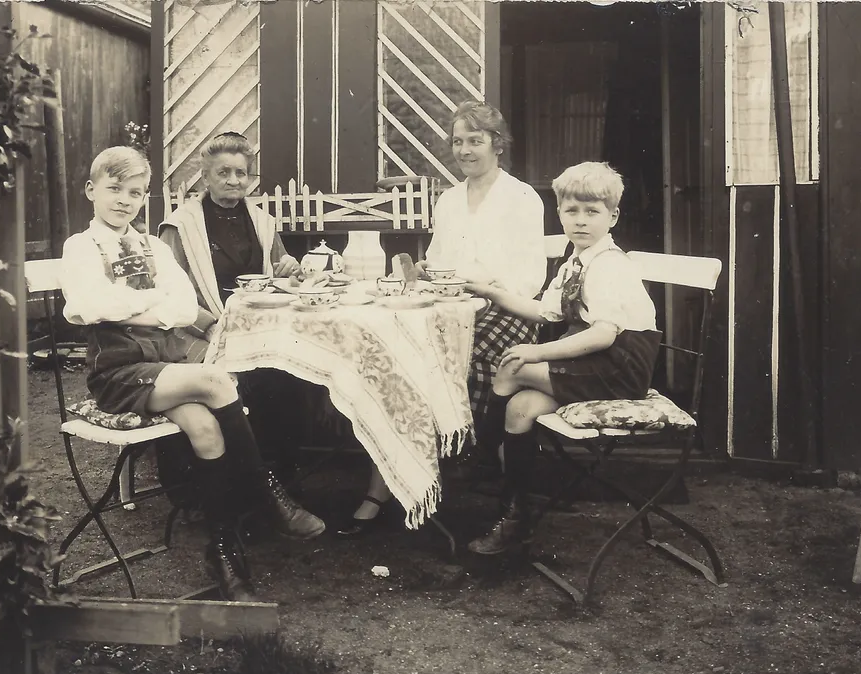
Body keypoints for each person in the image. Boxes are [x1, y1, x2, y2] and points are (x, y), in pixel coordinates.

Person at [59, 146, 325, 601]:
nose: (125, 200)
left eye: (136, 193)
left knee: (205, 427)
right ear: (91, 191)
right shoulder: (80, 248)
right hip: (118, 374)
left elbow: (184, 307)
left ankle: (224, 553)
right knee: (218, 380)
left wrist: (133, 309)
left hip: (163, 368)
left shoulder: (154, 246)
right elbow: (86, 306)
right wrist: (152, 306)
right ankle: (265, 491)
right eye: (114, 190)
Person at [339, 101, 547, 535]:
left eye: (476, 140)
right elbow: (436, 260)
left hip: (505, 311)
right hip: (448, 308)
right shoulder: (449, 200)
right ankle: (391, 483)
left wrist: (484, 291)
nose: (466, 150)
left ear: (498, 144)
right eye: (458, 141)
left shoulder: (522, 197)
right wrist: (426, 279)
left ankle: (469, 471)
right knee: (396, 357)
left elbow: (530, 278)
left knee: (446, 365)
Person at [463, 161, 661, 555]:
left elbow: (604, 334)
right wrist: (491, 292)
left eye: (593, 212)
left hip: (620, 367)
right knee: (520, 407)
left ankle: (478, 454)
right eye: (572, 211)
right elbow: (544, 312)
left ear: (613, 216)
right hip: (596, 365)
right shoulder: (574, 261)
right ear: (560, 214)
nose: (581, 221)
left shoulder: (608, 265)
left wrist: (537, 352)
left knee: (513, 367)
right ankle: (515, 516)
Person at [159, 132, 309, 476]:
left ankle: (279, 477)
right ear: (205, 177)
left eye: (241, 173)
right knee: (245, 380)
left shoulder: (262, 222)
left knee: (289, 375)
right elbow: (168, 294)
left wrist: (292, 269)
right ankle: (231, 479)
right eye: (223, 172)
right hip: (198, 332)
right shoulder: (181, 227)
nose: (233, 180)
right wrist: (212, 327)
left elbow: (284, 275)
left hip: (257, 331)